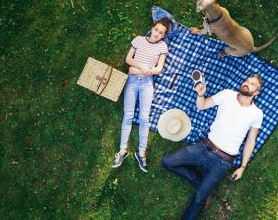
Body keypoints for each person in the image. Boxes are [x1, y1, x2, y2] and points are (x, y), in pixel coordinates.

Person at [161, 74, 264, 219]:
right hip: (203, 147)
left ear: (256, 93)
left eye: (252, 84)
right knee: (167, 162)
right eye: (246, 80)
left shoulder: (257, 114)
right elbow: (201, 106)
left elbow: (251, 141)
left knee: (198, 199)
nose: (246, 83)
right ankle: (202, 187)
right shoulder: (227, 94)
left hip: (222, 161)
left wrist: (242, 167)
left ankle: (203, 191)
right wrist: (200, 94)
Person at [112, 18, 171, 172]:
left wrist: (137, 70)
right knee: (128, 116)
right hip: (132, 83)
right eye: (156, 30)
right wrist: (142, 67)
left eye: (161, 33)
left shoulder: (162, 46)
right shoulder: (139, 40)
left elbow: (158, 69)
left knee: (145, 118)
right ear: (152, 28)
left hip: (146, 84)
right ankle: (122, 150)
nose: (157, 34)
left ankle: (142, 153)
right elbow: (128, 59)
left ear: (164, 36)